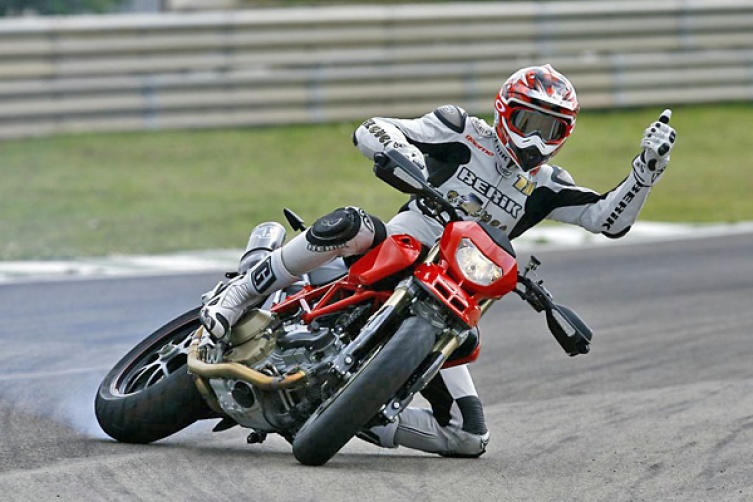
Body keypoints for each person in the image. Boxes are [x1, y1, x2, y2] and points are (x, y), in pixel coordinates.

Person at [199, 64, 677, 457]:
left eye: (549, 128)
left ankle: (361, 414)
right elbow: (372, 128)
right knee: (352, 222)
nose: (535, 138)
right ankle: (241, 292)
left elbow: (605, 219)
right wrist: (403, 153)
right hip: (397, 247)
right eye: (528, 122)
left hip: (452, 295)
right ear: (505, 112)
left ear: (563, 133)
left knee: (471, 435)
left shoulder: (547, 186)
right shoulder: (461, 131)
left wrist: (644, 174)